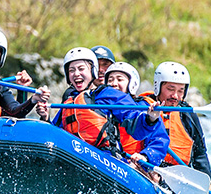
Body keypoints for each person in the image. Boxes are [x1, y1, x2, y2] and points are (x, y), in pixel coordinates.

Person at [39, 47, 168, 165]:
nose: (76, 74)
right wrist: (45, 117)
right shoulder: (68, 103)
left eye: (81, 69)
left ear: (92, 71)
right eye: (71, 70)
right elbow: (54, 134)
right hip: (74, 157)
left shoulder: (108, 94)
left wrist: (150, 119)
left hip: (106, 159)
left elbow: (136, 126)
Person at [145, 61, 211, 194]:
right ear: (158, 87)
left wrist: (210, 184)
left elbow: (199, 153)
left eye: (180, 90)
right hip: (146, 169)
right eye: (170, 89)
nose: (175, 95)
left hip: (176, 179)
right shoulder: (142, 106)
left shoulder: (188, 116)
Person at [102, 61, 168, 179]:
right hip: (107, 158)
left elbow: (160, 139)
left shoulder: (143, 108)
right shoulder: (100, 105)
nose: (113, 83)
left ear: (131, 84)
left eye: (119, 79)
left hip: (135, 164)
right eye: (110, 79)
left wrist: (145, 157)